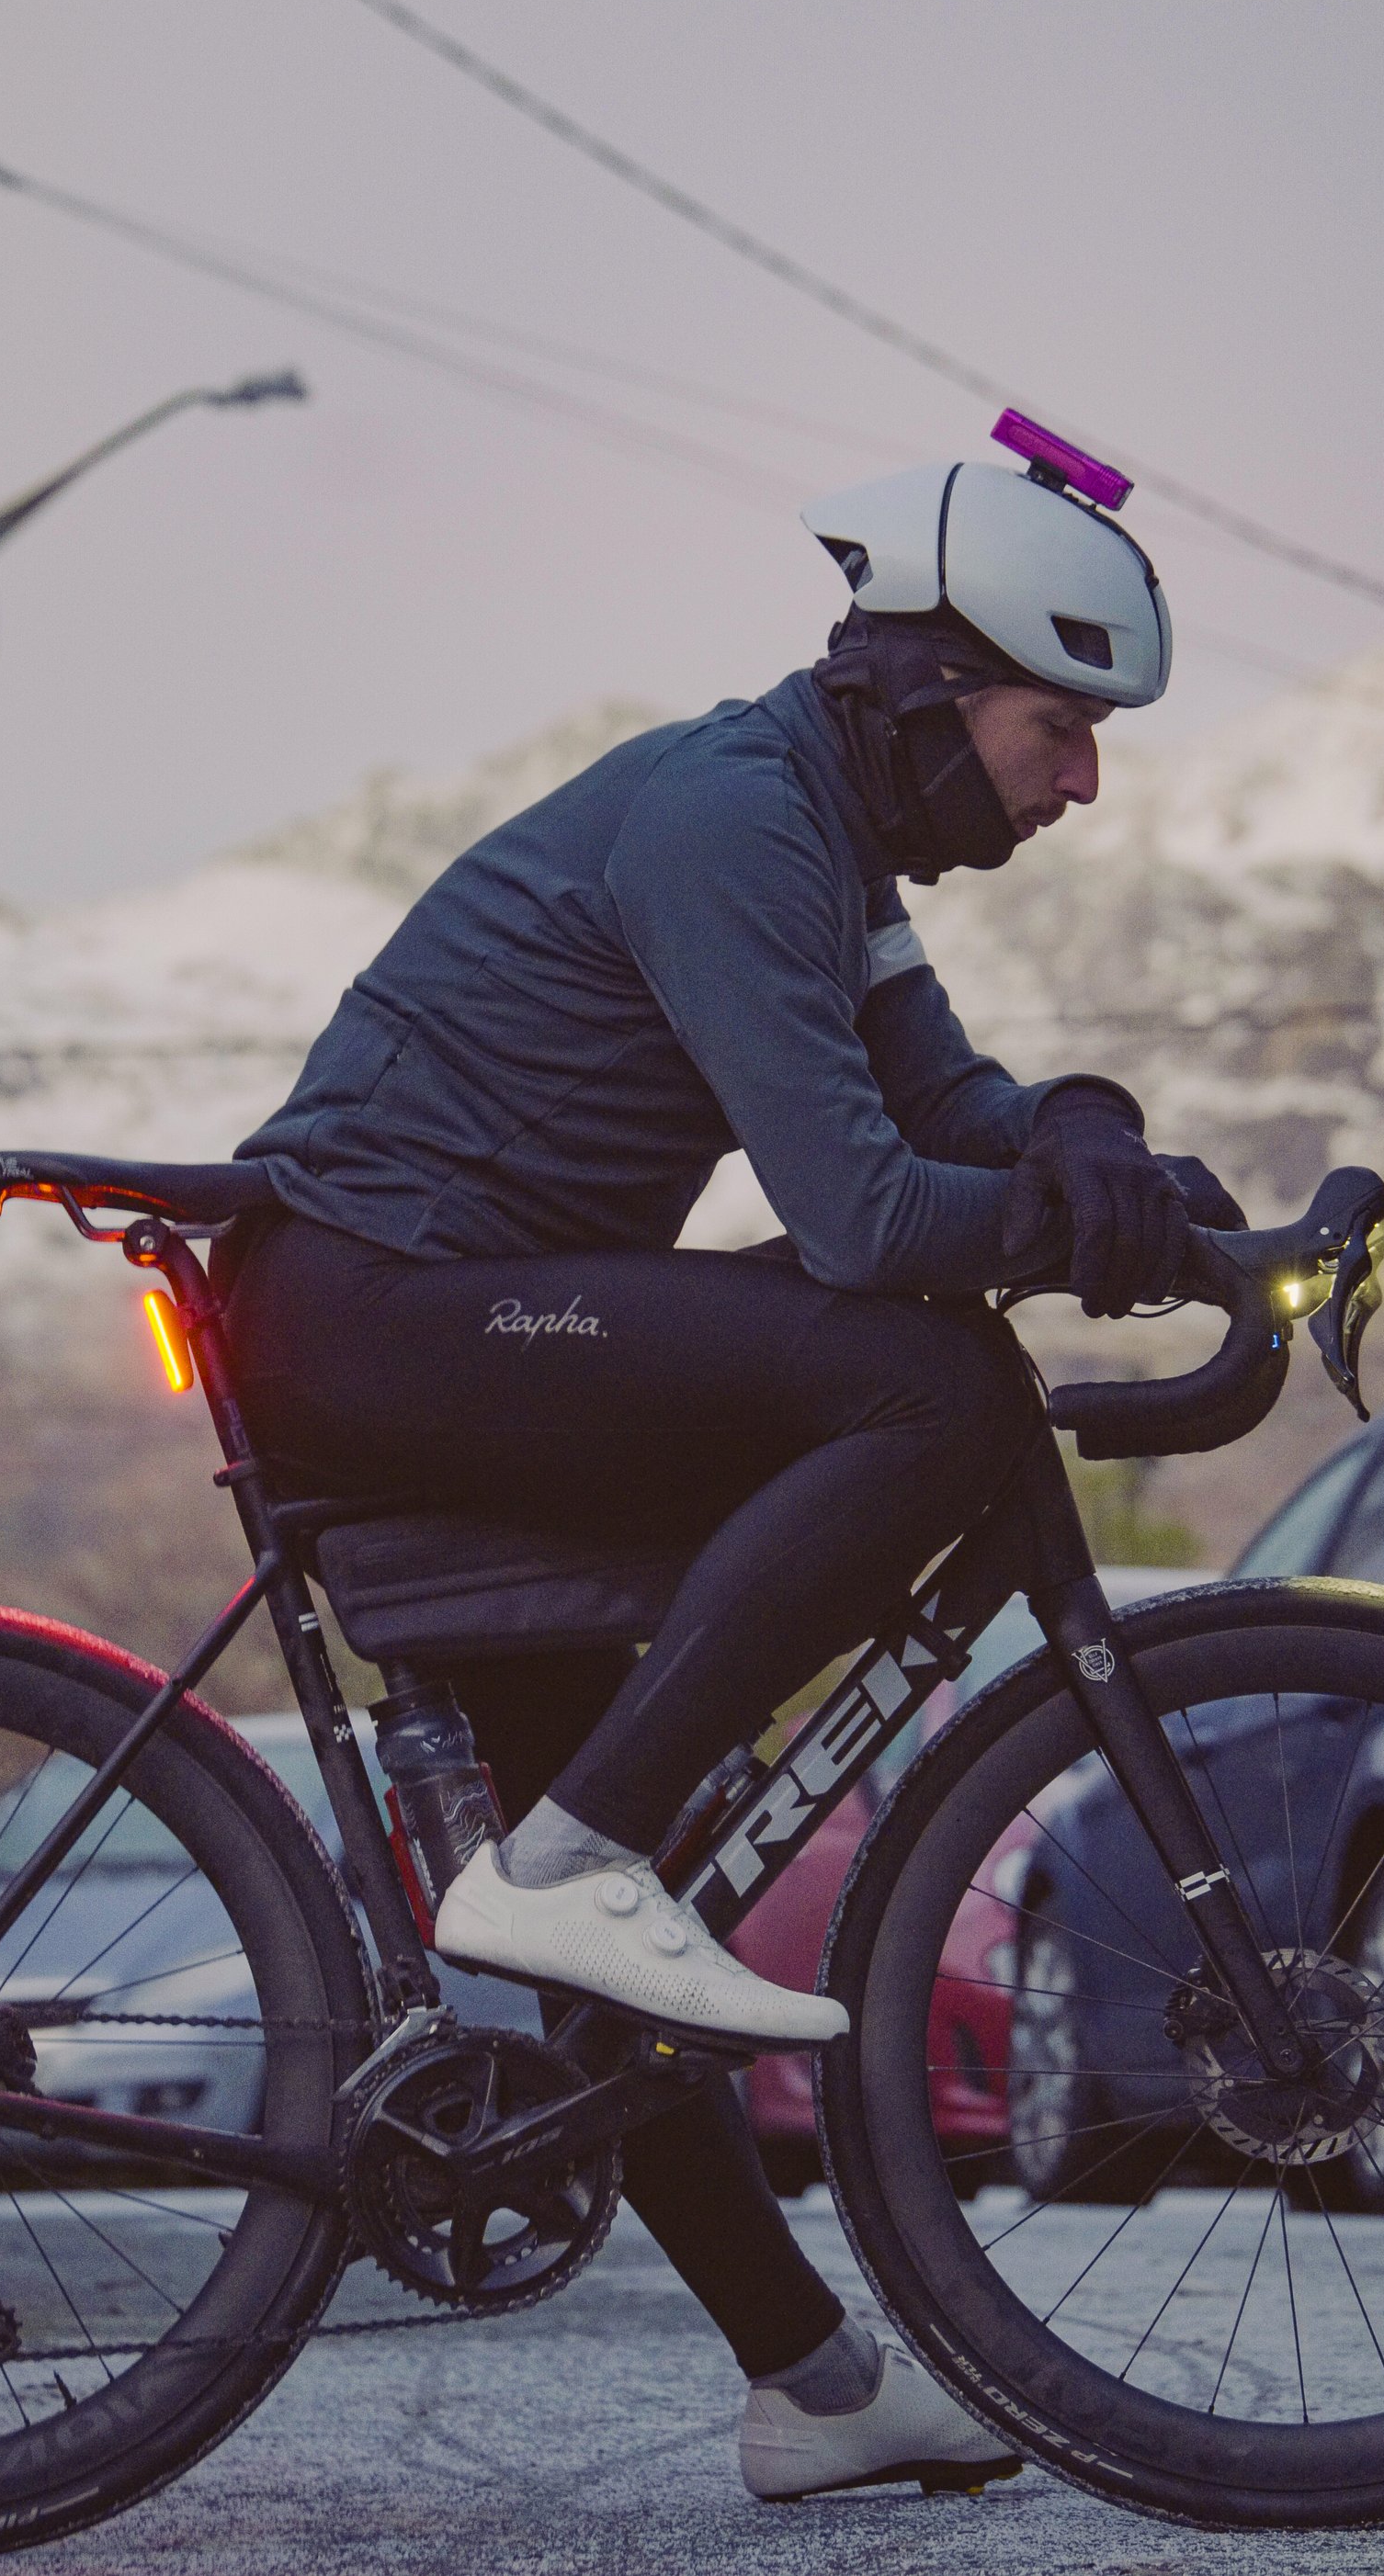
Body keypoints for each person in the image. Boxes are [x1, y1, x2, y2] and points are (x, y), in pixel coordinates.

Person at [230, 444, 1243, 2501]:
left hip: (475, 1315)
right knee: (925, 1387)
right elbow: (870, 1220)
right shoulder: (728, 818)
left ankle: (809, 2380)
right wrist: (1047, 1221)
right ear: (925, 690)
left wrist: (1099, 1152)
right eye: (1058, 731)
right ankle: (571, 1857)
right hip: (387, 1304)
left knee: (605, 1888)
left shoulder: (825, 841)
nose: (1078, 784)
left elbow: (947, 1109)